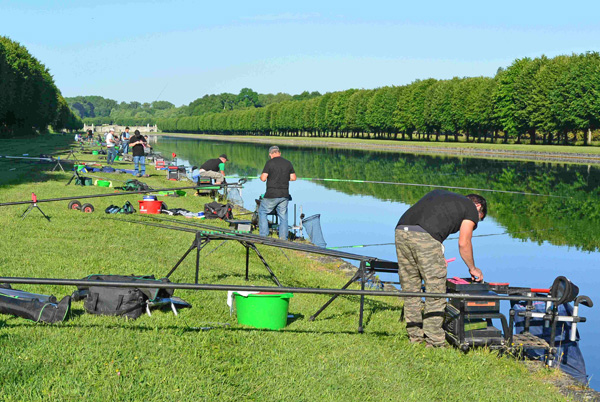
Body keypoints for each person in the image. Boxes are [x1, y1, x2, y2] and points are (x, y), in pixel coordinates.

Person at [395, 189, 487, 348]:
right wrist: (473, 268)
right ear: (478, 206)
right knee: (436, 290)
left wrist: (437, 252)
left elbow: (430, 223)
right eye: (479, 219)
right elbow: (463, 243)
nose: (475, 223)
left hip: (401, 231)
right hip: (425, 238)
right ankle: (435, 342)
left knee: (411, 288)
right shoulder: (470, 208)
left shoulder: (442, 196)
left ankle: (415, 338)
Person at [258, 146, 296, 239]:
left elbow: (263, 178)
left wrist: (262, 176)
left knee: (262, 212)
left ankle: (264, 235)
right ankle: (283, 238)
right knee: (283, 217)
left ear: (271, 154)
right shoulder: (288, 163)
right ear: (279, 153)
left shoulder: (269, 163)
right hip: (284, 195)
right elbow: (293, 178)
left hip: (271, 194)